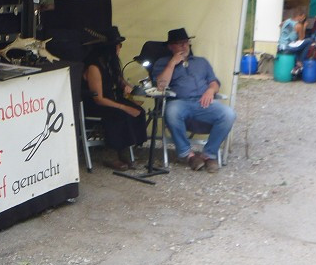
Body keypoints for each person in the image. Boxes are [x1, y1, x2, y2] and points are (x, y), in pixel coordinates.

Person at [153, 27, 236, 173]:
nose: (185, 46)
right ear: (170, 46)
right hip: (179, 102)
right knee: (171, 111)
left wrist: (211, 90)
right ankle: (188, 155)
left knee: (229, 114)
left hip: (202, 102)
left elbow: (214, 82)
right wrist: (172, 63)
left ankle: (208, 154)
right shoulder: (163, 63)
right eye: (180, 43)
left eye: (186, 43)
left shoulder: (201, 62)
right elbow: (161, 86)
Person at [82, 26, 147, 170]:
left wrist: (125, 86)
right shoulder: (94, 67)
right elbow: (98, 98)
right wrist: (124, 107)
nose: (120, 48)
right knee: (120, 113)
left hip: (112, 98)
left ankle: (124, 149)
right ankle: (110, 153)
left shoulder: (111, 63)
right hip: (97, 104)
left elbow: (118, 80)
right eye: (118, 45)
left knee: (139, 111)